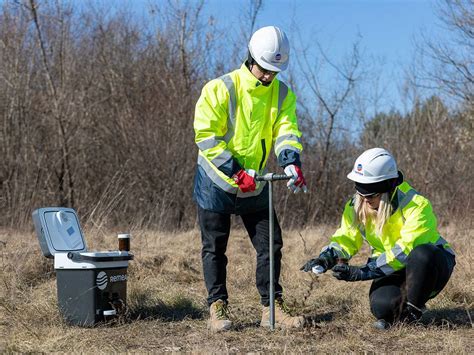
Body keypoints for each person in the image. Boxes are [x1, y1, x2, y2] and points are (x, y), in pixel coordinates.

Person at [193, 26, 307, 332]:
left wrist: (291, 161)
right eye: (266, 69)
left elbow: (287, 130)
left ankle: (272, 308)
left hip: (256, 182)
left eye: (275, 71)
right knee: (214, 247)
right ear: (251, 58)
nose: (269, 76)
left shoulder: (282, 93)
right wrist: (234, 171)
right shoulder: (220, 89)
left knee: (271, 244)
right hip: (216, 182)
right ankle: (218, 307)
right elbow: (206, 137)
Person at [301, 148, 456, 330]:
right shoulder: (356, 205)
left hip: (430, 265)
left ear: (387, 189)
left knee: (422, 254)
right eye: (361, 193)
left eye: (371, 195)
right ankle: (398, 313)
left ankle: (413, 311)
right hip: (390, 266)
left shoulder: (416, 205)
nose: (365, 200)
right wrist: (327, 257)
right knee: (382, 306)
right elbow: (346, 238)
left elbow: (406, 251)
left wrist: (364, 272)